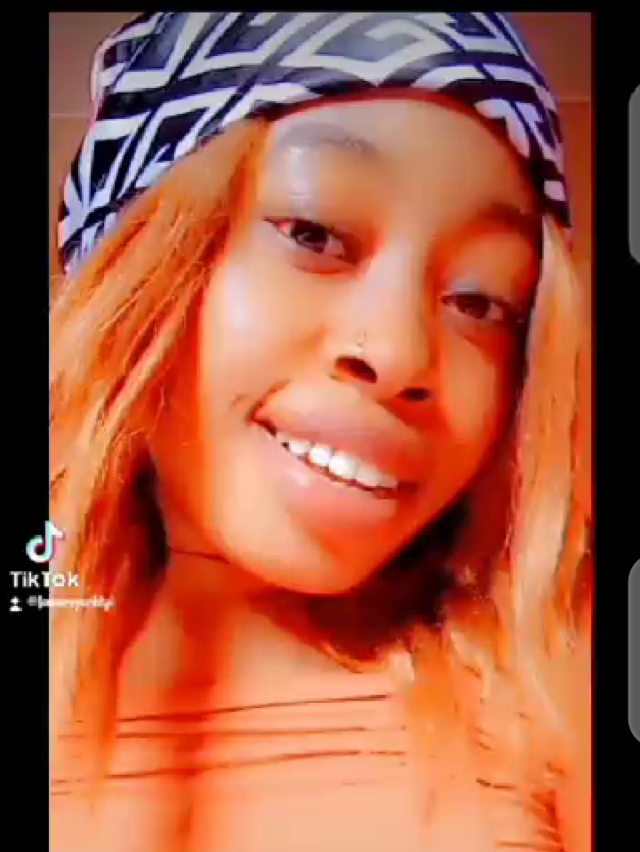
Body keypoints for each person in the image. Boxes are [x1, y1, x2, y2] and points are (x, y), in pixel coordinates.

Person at [50, 12, 592, 852]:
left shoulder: (556, 669)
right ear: (136, 264)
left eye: (481, 299)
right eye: (314, 236)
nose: (401, 352)